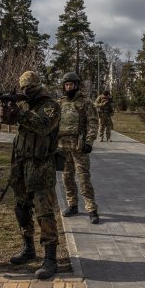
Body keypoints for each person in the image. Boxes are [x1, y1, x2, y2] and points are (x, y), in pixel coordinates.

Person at [0, 71, 61, 279]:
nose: (26, 92)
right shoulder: (28, 106)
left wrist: (20, 113)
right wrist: (7, 113)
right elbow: (12, 123)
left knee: (44, 212)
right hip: (21, 164)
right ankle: (28, 248)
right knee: (22, 208)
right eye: (23, 89)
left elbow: (43, 126)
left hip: (40, 165)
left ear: (37, 87)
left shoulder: (50, 105)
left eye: (29, 89)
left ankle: (50, 258)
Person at [58, 72, 100, 224]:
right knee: (67, 177)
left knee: (83, 178)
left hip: (79, 146)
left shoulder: (85, 102)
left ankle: (91, 209)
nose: (68, 87)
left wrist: (89, 142)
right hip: (63, 146)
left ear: (76, 85)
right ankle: (72, 205)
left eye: (71, 84)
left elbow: (93, 122)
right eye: (66, 84)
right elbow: (55, 122)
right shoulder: (61, 102)